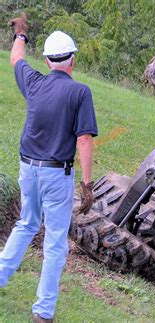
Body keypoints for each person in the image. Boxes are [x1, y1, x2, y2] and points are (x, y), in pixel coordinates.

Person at [0, 13, 98, 323]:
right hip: (57, 176)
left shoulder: (34, 82)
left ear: (46, 60)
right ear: (72, 61)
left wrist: (21, 33)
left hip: (28, 170)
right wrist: (87, 185)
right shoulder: (80, 92)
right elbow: (83, 139)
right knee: (55, 241)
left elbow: (16, 57)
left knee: (26, 224)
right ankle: (43, 313)